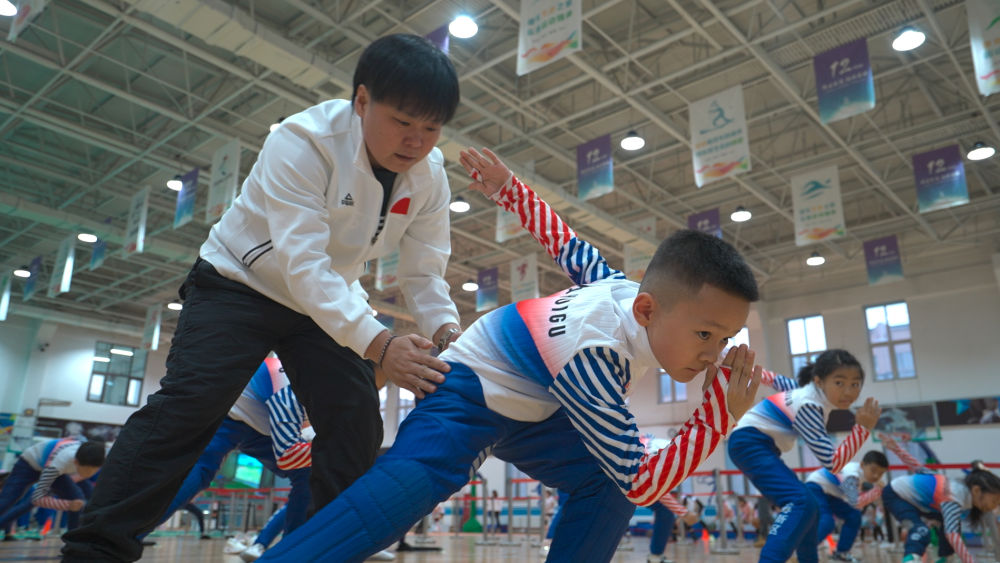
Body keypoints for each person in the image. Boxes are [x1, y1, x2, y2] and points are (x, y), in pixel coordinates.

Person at [61, 33, 464, 562]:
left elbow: (424, 271)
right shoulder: (303, 141)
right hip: (240, 283)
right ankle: (95, 550)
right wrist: (382, 344)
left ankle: (325, 552)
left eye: (431, 128)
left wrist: (448, 333)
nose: (416, 141)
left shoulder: (429, 175)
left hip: (327, 298)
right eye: (403, 122)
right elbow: (302, 263)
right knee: (189, 407)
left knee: (356, 419)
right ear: (362, 101)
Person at [255, 146, 763, 562]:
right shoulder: (594, 358)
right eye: (705, 334)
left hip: (540, 406)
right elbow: (643, 483)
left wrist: (509, 189)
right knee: (392, 505)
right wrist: (718, 414)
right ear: (648, 310)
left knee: (605, 483)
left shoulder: (619, 289)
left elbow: (565, 243)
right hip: (467, 392)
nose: (713, 354)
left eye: (725, 339)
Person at [727, 349, 882, 563]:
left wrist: (735, 364)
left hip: (755, 443)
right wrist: (862, 429)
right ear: (818, 381)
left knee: (812, 507)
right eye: (839, 383)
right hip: (750, 442)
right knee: (800, 501)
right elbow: (833, 463)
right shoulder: (810, 406)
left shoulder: (801, 389)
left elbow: (771, 378)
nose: (848, 391)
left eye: (855, 384)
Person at [149, 358, 312, 561]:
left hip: (248, 415)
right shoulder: (289, 376)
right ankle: (284, 551)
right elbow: (289, 453)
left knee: (308, 477)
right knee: (199, 469)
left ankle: (283, 549)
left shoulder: (298, 374)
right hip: (239, 412)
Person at [882, 464, 1000, 563]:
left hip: (920, 502)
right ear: (976, 490)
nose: (994, 506)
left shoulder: (962, 494)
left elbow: (920, 468)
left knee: (952, 523)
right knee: (920, 530)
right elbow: (952, 534)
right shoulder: (954, 497)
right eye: (994, 501)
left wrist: (897, 449)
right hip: (895, 495)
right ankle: (910, 559)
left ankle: (946, 558)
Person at [0, 439, 104, 536]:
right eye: (86, 470)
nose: (89, 474)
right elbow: (36, 498)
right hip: (29, 463)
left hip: (55, 466)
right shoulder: (59, 463)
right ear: (76, 462)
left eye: (93, 470)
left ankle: (73, 541)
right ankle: (5, 528)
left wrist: (74, 503)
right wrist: (68, 505)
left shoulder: (97, 459)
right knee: (9, 498)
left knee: (77, 500)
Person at [804, 450, 889, 561]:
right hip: (816, 487)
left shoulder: (861, 474)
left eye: (881, 473)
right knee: (827, 521)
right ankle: (803, 547)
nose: (876, 476)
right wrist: (877, 491)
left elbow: (854, 501)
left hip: (832, 493)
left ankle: (842, 552)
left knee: (854, 516)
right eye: (873, 470)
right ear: (862, 465)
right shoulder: (852, 475)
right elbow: (856, 503)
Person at [648, 492, 698, 563]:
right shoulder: (684, 500)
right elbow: (658, 492)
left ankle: (656, 555)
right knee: (666, 508)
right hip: (635, 490)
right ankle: (655, 555)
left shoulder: (689, 502)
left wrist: (682, 513)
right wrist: (683, 513)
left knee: (665, 509)